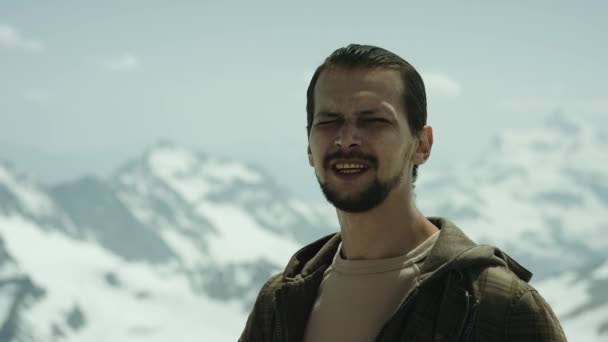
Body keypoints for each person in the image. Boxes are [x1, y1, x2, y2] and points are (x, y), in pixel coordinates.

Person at [239, 44, 566, 342]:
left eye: (373, 120)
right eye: (329, 121)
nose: (346, 138)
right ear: (309, 147)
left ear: (421, 145)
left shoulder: (499, 307)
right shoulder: (279, 303)